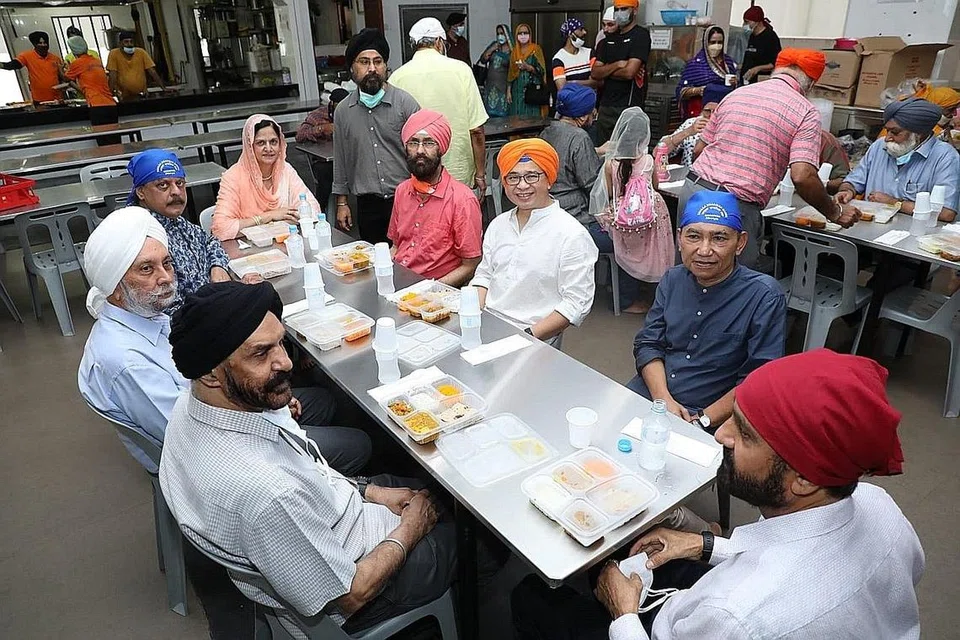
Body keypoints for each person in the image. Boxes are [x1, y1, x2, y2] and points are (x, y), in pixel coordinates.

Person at [512, 349, 923, 640]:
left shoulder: (738, 615)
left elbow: (749, 607)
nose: (721, 435)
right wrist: (704, 544)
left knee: (531, 596)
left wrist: (622, 613)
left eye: (744, 434)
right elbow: (797, 553)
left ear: (803, 480)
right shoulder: (878, 505)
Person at [159, 281, 456, 635]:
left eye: (280, 343)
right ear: (210, 373)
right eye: (260, 353)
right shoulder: (266, 494)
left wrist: (369, 491)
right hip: (361, 580)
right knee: (475, 537)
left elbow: (305, 474)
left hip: (339, 516)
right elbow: (350, 594)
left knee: (431, 492)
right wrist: (412, 528)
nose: (285, 361)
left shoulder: (190, 408)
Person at [78, 208, 369, 476]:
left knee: (324, 400)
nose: (166, 277)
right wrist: (267, 409)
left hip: (218, 406)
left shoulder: (143, 314)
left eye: (166, 263)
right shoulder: (125, 362)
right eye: (146, 269)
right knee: (359, 444)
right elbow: (194, 434)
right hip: (223, 449)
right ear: (114, 285)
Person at [681, 49, 859, 271]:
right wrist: (835, 212)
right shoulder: (805, 112)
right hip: (733, 204)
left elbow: (699, 150)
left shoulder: (736, 94)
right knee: (731, 288)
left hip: (693, 191)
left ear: (777, 70)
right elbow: (802, 176)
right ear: (811, 83)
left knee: (690, 271)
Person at [627, 190, 786, 429]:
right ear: (680, 239)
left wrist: (702, 420)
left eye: (719, 238)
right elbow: (649, 344)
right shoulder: (672, 280)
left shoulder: (763, 296)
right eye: (694, 236)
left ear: (740, 243)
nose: (704, 250)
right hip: (654, 394)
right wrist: (663, 401)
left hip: (716, 417)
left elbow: (758, 379)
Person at [470, 139, 597, 345]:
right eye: (513, 177)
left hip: (536, 338)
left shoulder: (572, 235)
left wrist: (526, 336)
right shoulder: (498, 225)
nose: (522, 185)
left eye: (532, 176)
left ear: (549, 180)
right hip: (487, 326)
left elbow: (576, 303)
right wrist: (472, 317)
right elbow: (484, 276)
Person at [333, 28, 420, 244]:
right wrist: (342, 203)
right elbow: (341, 159)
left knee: (410, 264)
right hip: (367, 205)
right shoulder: (344, 111)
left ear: (385, 67)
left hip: (406, 200)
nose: (372, 68)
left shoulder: (405, 104)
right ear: (352, 68)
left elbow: (424, 154)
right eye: (364, 62)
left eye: (378, 61)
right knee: (375, 263)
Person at [589, 107, 674, 314]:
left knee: (626, 248)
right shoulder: (648, 161)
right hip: (648, 219)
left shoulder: (611, 164)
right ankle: (653, 295)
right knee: (656, 250)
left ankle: (618, 289)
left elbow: (608, 193)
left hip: (622, 220)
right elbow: (655, 186)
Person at [125, 149, 231, 311]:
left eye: (179, 183)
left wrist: (217, 266)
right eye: (163, 185)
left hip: (210, 305)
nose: (175, 191)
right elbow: (164, 310)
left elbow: (210, 241)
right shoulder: (142, 237)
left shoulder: (177, 222)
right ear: (141, 192)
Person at [389, 18, 488, 191]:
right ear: (439, 42)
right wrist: (480, 174)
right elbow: (476, 131)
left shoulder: (397, 77)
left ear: (415, 44)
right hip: (459, 173)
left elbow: (393, 133)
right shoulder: (462, 70)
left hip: (417, 173)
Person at [388, 110, 482, 286]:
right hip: (398, 283)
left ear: (441, 148)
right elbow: (396, 246)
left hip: (435, 293)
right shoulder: (402, 191)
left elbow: (471, 264)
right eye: (413, 143)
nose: (420, 151)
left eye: (429, 143)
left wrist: (430, 290)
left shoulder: (462, 200)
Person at [838, 98, 959, 223]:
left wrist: (894, 203)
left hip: (913, 236)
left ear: (919, 133)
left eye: (895, 132)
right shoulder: (879, 147)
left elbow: (946, 212)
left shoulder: (945, 157)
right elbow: (853, 181)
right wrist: (846, 191)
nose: (887, 138)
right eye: (887, 130)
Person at [211, 114, 321, 241]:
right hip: (247, 250)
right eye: (261, 143)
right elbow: (221, 229)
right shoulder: (233, 177)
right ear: (250, 146)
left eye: (273, 142)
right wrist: (270, 216)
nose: (268, 149)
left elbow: (312, 210)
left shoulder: (285, 170)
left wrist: (253, 225)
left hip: (287, 243)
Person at [540, 83, 602, 225]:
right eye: (592, 111)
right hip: (575, 214)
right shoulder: (580, 137)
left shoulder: (546, 132)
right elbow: (591, 184)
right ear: (582, 117)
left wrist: (596, 151)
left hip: (547, 208)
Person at [591, 0, 652, 143]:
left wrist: (606, 71)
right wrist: (618, 64)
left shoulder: (640, 36)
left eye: (624, 9)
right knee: (603, 153)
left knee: (626, 156)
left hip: (629, 107)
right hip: (605, 106)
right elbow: (594, 73)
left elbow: (629, 73)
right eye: (617, 9)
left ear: (635, 11)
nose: (619, 13)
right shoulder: (606, 41)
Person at [662, 84, 731, 167]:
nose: (712, 116)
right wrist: (688, 131)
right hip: (687, 175)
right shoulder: (692, 123)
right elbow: (658, 152)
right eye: (707, 111)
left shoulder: (729, 127)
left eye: (716, 112)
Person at [63, 36, 118, 140]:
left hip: (97, 106)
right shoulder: (97, 61)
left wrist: (59, 68)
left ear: (73, 50)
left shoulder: (77, 63)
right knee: (115, 138)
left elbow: (66, 79)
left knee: (103, 140)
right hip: (111, 104)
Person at [676, 27, 737, 119]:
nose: (716, 46)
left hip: (723, 112)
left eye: (719, 42)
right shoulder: (695, 64)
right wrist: (700, 90)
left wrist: (735, 83)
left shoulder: (728, 62)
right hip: (700, 111)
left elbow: (736, 89)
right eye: (712, 42)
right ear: (705, 43)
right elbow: (681, 91)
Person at [0, 31, 62, 104]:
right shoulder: (27, 56)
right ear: (35, 45)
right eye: (40, 43)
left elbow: (61, 77)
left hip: (57, 99)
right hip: (39, 100)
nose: (43, 45)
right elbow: (12, 65)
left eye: (45, 43)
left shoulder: (55, 58)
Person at [106, 30, 166, 101]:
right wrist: (110, 93)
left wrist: (163, 88)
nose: (129, 44)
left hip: (142, 94)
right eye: (126, 42)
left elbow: (152, 71)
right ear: (120, 44)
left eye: (131, 41)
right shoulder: (114, 54)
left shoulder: (141, 52)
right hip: (124, 95)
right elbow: (113, 75)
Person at [507, 24, 547, 118]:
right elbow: (510, 73)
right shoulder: (514, 52)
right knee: (517, 118)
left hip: (532, 90)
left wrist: (528, 67)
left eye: (526, 33)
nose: (523, 35)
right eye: (520, 33)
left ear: (530, 35)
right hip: (517, 91)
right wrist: (508, 91)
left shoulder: (536, 49)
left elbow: (542, 71)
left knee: (532, 118)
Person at [740, 5, 781, 84]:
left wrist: (757, 69)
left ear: (757, 22)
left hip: (761, 80)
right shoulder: (751, 36)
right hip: (747, 80)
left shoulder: (770, 37)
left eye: (747, 22)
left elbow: (774, 63)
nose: (744, 25)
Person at [552, 18, 596, 90]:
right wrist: (588, 82)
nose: (584, 32)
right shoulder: (558, 59)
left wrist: (573, 82)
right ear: (570, 34)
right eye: (580, 29)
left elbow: (598, 82)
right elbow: (562, 88)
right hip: (571, 101)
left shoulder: (590, 53)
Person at [480, 24, 512, 117]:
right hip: (490, 87)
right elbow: (483, 59)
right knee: (489, 116)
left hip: (503, 88)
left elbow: (513, 71)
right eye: (498, 34)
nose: (500, 36)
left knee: (502, 116)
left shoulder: (512, 50)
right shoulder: (494, 46)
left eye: (502, 33)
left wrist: (509, 89)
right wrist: (491, 49)